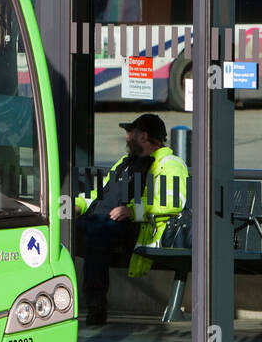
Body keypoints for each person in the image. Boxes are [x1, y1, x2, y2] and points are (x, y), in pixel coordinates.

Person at [74, 113, 188, 325]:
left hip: (136, 228)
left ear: (143, 136)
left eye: (130, 133)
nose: (126, 137)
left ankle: (96, 305)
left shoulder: (169, 163)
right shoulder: (125, 162)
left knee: (96, 233)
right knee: (58, 229)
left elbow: (174, 202)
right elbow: (100, 193)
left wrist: (132, 211)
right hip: (103, 221)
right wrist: (78, 205)